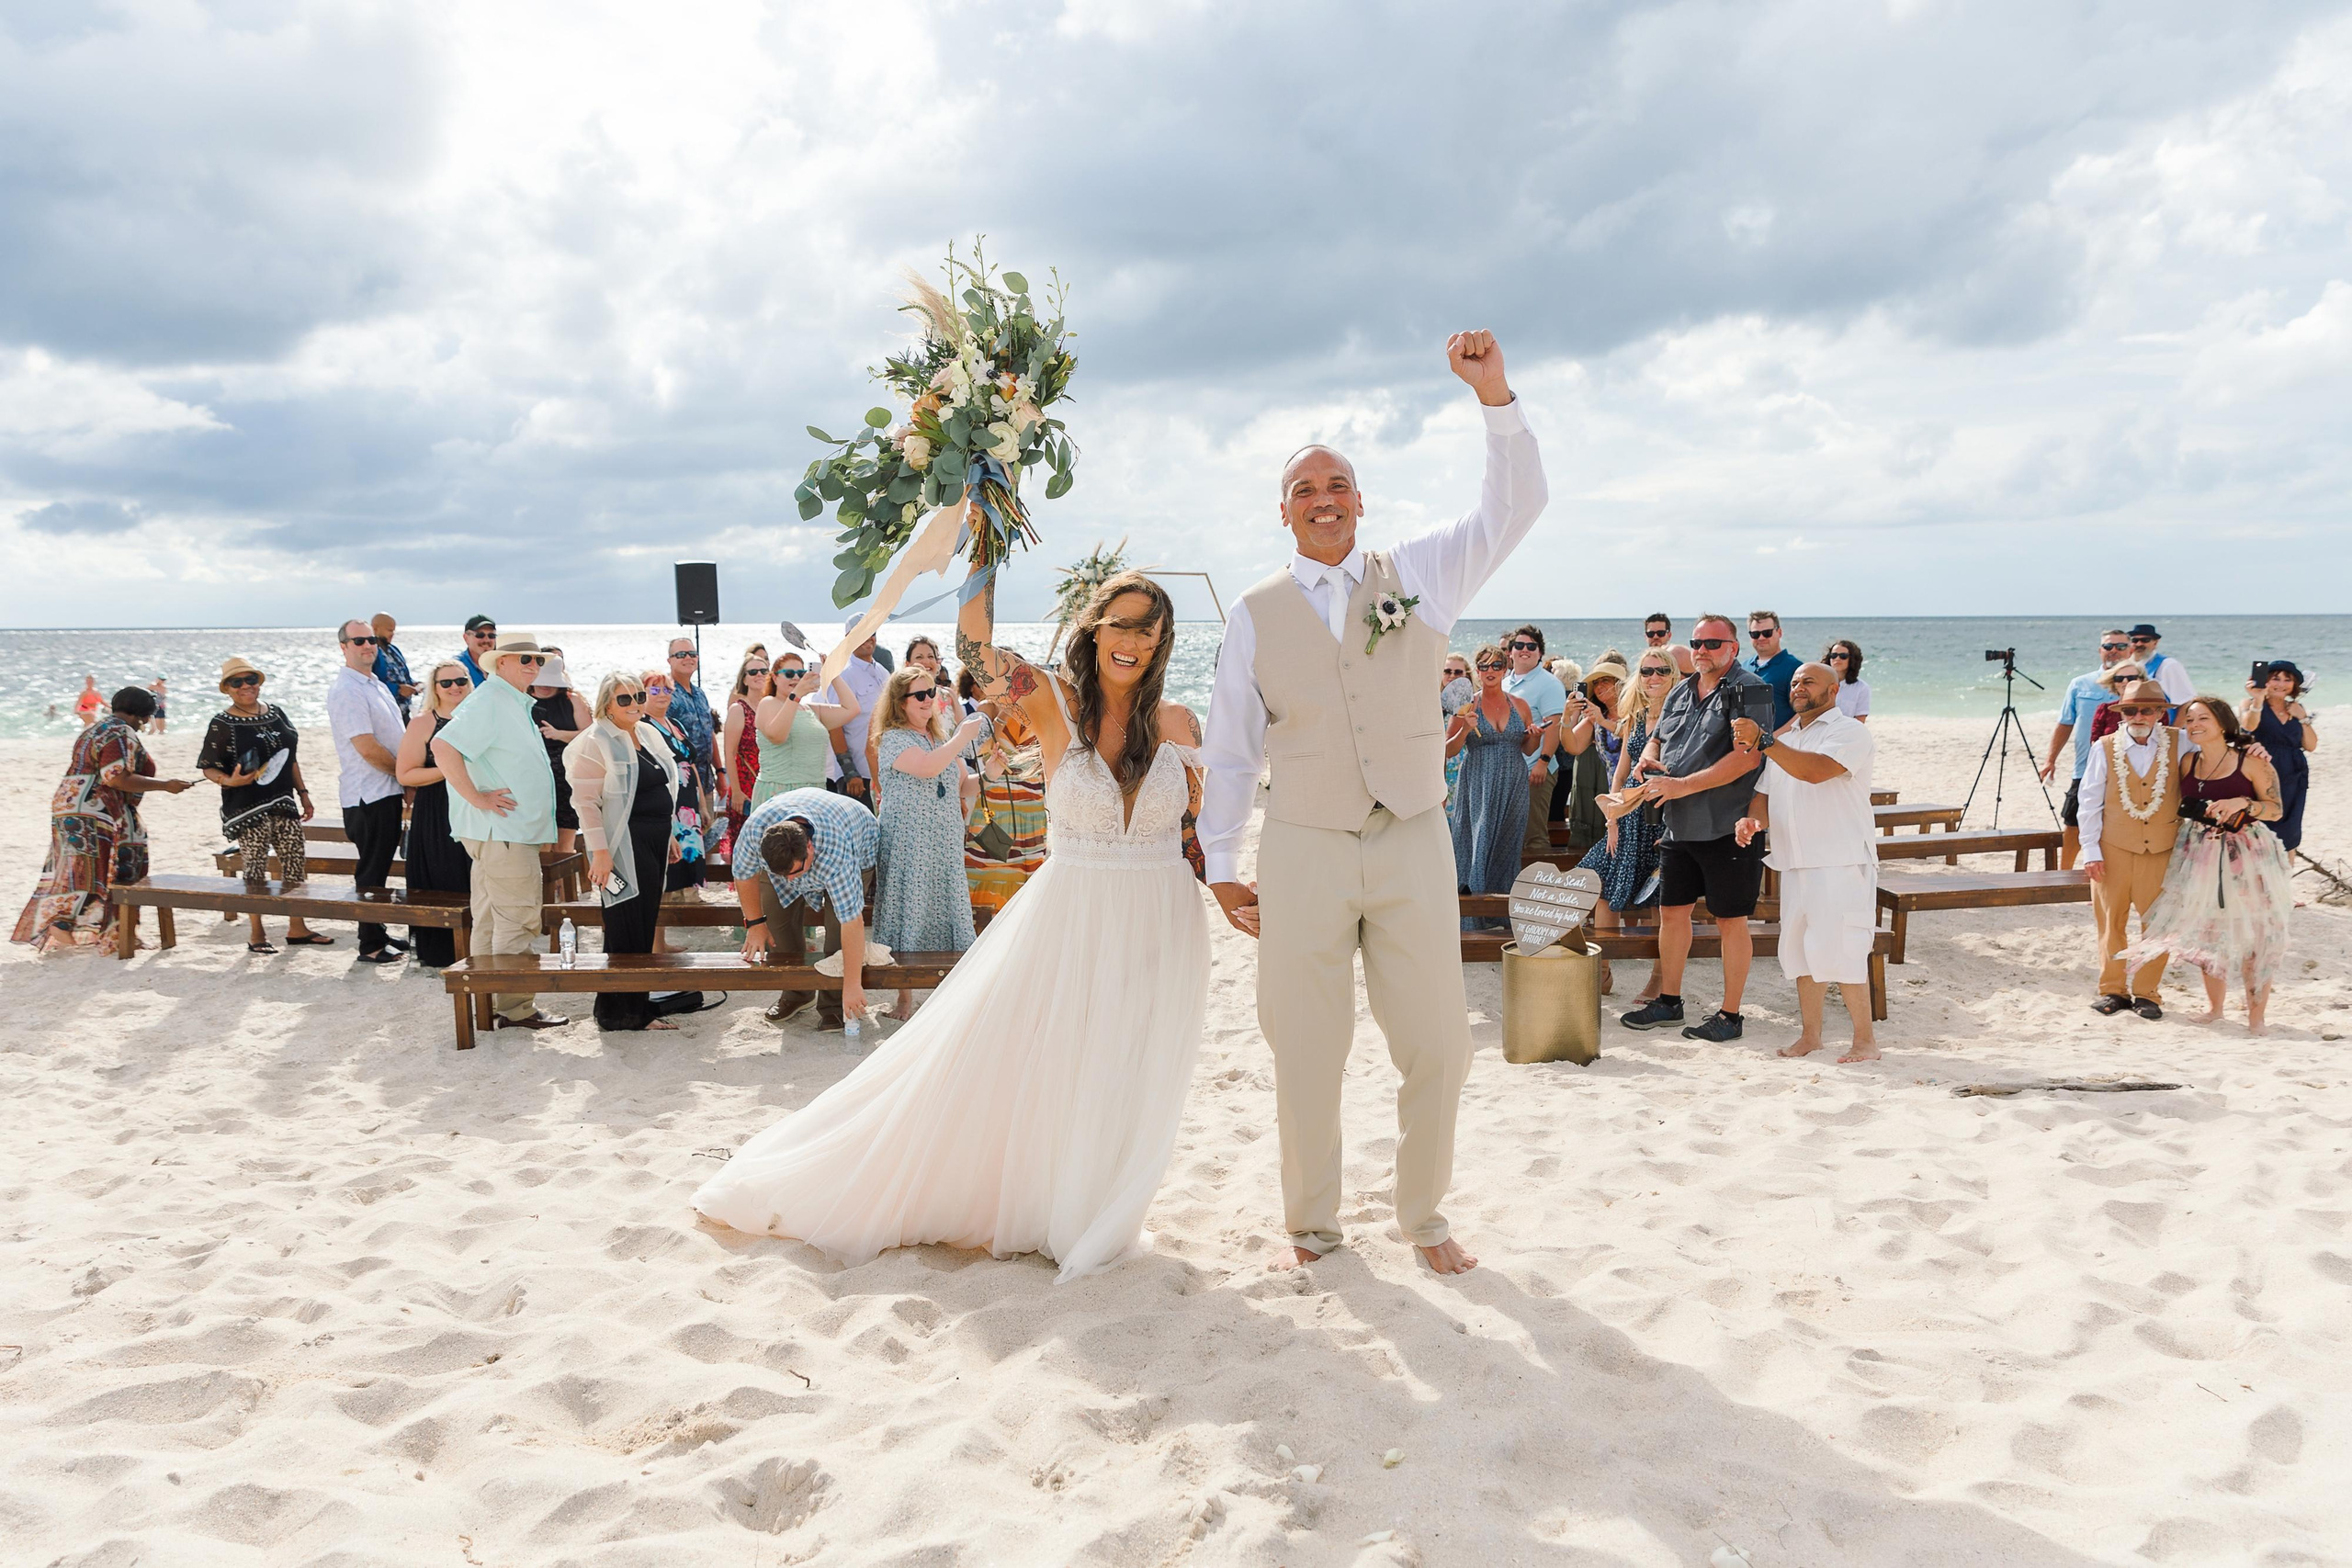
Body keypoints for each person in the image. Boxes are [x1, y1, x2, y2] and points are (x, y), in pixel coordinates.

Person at [698, 565, 1209, 1282]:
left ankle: (1097, 1203)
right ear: (1094, 628)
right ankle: (1053, 1204)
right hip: (1073, 911)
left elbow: (1201, 830)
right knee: (1048, 1056)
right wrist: (983, 517)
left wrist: (1230, 885)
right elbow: (972, 648)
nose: (1134, 640)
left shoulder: (1180, 722)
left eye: (1149, 629)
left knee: (1127, 1064)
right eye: (1120, 623)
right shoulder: (1052, 700)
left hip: (1161, 917)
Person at [1202, 330, 1543, 1278]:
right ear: (1283, 511)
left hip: (1412, 834)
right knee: (1305, 1049)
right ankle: (1311, 1229)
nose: (1324, 499)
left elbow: (1515, 507)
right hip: (1305, 842)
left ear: (1360, 501)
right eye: (1306, 489)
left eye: (1338, 485)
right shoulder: (1253, 612)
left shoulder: (1420, 576)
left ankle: (1423, 1218)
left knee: (1439, 1040)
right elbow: (1229, 747)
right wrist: (1222, 865)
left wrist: (1494, 399)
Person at [1621, 614, 1770, 1042]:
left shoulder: (1749, 690)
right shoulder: (1682, 689)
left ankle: (1730, 1015)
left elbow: (1748, 758)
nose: (1702, 651)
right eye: (1697, 643)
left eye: (1713, 643)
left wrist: (1681, 785)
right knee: (1672, 914)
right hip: (1678, 823)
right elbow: (1658, 739)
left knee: (1730, 921)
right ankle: (1669, 1001)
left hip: (1728, 824)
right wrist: (1648, 759)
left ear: (1734, 648)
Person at [1732, 663, 1879, 1062]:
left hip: (1840, 861)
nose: (1798, 687)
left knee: (1845, 951)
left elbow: (1814, 772)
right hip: (1794, 863)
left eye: (1808, 682)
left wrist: (1764, 741)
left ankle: (1864, 1041)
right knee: (1801, 953)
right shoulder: (1786, 738)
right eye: (1794, 682)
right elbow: (1763, 792)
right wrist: (1752, 820)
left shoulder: (1849, 732)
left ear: (1832, 692)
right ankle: (1811, 1036)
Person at [2120, 696, 2293, 1033]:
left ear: (2223, 724)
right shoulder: (2188, 761)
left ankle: (2256, 1018)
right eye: (2189, 720)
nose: (2194, 725)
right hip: (2198, 851)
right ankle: (2216, 1009)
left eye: (2203, 719)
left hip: (2247, 853)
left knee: (2256, 935)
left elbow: (2275, 809)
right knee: (2209, 933)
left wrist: (2242, 802)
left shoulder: (2252, 762)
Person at [433, 632, 569, 1032]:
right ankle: (516, 1008)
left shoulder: (508, 700)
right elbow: (443, 747)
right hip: (502, 831)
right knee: (518, 918)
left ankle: (488, 1004)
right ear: (501, 663)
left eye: (537, 660)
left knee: (492, 919)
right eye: (523, 658)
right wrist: (477, 797)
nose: (532, 664)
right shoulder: (492, 699)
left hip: (501, 832)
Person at [15, 687, 192, 953]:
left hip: (71, 803)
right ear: (138, 715)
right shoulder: (120, 731)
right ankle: (114, 935)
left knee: (79, 870)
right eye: (145, 719)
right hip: (95, 808)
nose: (144, 725)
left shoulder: (95, 729)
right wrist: (166, 785)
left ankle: (67, 925)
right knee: (112, 869)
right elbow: (115, 777)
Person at [565, 671, 695, 1032]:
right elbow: (586, 804)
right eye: (625, 699)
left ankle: (636, 1006)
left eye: (639, 696)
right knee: (624, 926)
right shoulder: (597, 741)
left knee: (644, 922)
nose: (635, 704)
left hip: (654, 840)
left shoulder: (648, 733)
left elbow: (664, 789)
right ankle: (617, 1013)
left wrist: (669, 832)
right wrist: (600, 853)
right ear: (607, 704)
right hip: (621, 845)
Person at [870, 665, 988, 1019]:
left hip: (944, 841)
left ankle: (953, 997)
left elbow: (962, 785)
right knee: (908, 914)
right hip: (909, 843)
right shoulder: (893, 738)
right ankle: (904, 1000)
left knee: (950, 911)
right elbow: (926, 768)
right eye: (919, 695)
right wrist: (961, 740)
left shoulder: (940, 737)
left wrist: (991, 773)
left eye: (932, 693)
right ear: (900, 702)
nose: (928, 700)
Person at [2078, 679, 2193, 1020]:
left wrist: (2253, 747)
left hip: (2162, 849)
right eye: (2130, 710)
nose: (2138, 715)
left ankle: (2147, 993)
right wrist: (2090, 850)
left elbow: (2221, 753)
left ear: (2161, 712)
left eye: (2146, 709)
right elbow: (2089, 801)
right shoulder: (2104, 746)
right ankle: (2112, 989)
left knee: (2158, 925)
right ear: (2122, 712)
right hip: (2112, 848)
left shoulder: (2183, 742)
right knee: (2111, 922)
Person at [198, 658, 324, 953]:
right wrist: (230, 782)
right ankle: (257, 934)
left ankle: (297, 928)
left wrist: (303, 793)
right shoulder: (222, 722)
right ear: (227, 689)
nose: (246, 687)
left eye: (250, 679)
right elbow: (208, 766)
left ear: (259, 681)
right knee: (254, 869)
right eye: (237, 682)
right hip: (247, 807)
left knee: (295, 862)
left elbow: (289, 757)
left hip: (283, 801)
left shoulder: (277, 713)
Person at [731, 786, 881, 1033]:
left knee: (836, 935)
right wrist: (756, 924)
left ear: (810, 847)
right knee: (778, 927)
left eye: (796, 873)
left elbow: (851, 922)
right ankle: (797, 993)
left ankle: (834, 1003)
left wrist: (853, 985)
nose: (790, 881)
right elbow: (744, 875)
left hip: (857, 839)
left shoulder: (836, 851)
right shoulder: (755, 831)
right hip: (801, 841)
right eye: (784, 875)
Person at [1579, 650, 1673, 1001]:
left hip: (1661, 816)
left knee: (1659, 900)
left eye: (1661, 670)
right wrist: (1612, 817)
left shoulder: (1680, 717)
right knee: (1598, 882)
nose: (1653, 676)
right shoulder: (1635, 716)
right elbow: (1621, 770)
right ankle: (1602, 971)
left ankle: (1659, 978)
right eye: (1646, 670)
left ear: (1673, 675)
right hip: (1628, 815)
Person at [327, 619, 409, 965]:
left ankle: (378, 931)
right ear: (343, 646)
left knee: (380, 867)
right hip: (368, 794)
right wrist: (406, 776)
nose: (368, 645)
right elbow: (367, 747)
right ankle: (370, 944)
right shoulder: (347, 689)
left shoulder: (373, 683)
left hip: (385, 790)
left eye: (372, 639)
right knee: (371, 871)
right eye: (359, 640)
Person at [1445, 647, 1535, 931]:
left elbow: (1528, 748)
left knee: (1508, 846)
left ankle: (1503, 916)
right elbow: (1448, 751)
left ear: (1506, 667)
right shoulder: (1466, 706)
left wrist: (1535, 737)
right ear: (1478, 671)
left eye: (1497, 665)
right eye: (1484, 666)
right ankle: (1471, 920)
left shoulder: (1520, 704)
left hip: (1514, 784)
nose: (1491, 670)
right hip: (1478, 784)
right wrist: (1465, 730)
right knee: (1476, 845)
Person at [393, 660, 475, 967]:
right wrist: (448, 770)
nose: (455, 687)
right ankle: (445, 952)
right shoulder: (424, 722)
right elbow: (406, 774)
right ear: (435, 688)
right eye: (446, 683)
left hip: (479, 805)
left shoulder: (481, 717)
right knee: (445, 878)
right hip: (438, 811)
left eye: (461, 680)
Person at [2039, 629, 2132, 869]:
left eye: (2121, 646)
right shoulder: (2080, 683)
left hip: (2128, 770)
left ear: (2130, 650)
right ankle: (2065, 873)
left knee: (2115, 824)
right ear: (2100, 650)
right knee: (2073, 821)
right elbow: (2065, 723)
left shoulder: (2140, 683)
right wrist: (2051, 759)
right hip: (2085, 767)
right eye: (2108, 646)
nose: (2114, 651)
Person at [963, 693, 1050, 918]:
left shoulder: (1037, 707)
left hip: (1031, 805)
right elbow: (977, 749)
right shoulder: (989, 707)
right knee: (990, 868)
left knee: (1028, 874)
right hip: (996, 801)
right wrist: (1004, 712)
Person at [752, 650, 860, 809]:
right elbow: (777, 736)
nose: (796, 678)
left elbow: (852, 709)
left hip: (814, 794)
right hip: (780, 793)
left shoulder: (811, 710)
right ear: (774, 678)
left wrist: (832, 674)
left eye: (801, 673)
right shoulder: (768, 703)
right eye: (789, 673)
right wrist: (795, 695)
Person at [639, 669, 710, 897]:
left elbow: (690, 764)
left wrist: (702, 805)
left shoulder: (676, 724)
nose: (662, 694)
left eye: (667, 689)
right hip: (666, 801)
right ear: (642, 693)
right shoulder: (642, 726)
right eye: (655, 689)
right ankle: (671, 904)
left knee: (691, 852)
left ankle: (691, 900)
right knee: (671, 858)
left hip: (688, 802)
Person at [1501, 625, 1566, 860]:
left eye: (1531, 646)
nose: (1524, 650)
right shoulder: (1504, 682)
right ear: (1510, 652)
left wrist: (1543, 761)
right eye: (1519, 645)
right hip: (1508, 772)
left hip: (1534, 770)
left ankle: (1540, 890)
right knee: (1511, 835)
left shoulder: (1548, 684)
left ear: (1540, 652)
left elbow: (1554, 726)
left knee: (1534, 836)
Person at [1554, 656, 1626, 860]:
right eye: (1596, 683)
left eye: (1606, 680)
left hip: (1634, 791)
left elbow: (1630, 733)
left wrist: (1602, 720)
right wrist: (1567, 717)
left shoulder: (1636, 712)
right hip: (1613, 790)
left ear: (1620, 684)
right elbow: (1572, 746)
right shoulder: (1595, 717)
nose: (1600, 686)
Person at [2242, 662, 2317, 853]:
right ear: (2265, 680)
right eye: (2275, 678)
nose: (2281, 684)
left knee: (2290, 831)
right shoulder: (2249, 704)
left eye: (2287, 679)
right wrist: (2258, 700)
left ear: (2294, 685)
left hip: (2294, 775)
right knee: (2260, 826)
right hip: (2262, 771)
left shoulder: (2297, 708)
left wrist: (2303, 718)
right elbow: (2249, 727)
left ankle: (2285, 880)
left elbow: (2311, 745)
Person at [530, 654, 592, 855]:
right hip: (534, 780)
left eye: (550, 682)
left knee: (565, 846)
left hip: (566, 780)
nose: (545, 687)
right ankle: (547, 887)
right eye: (541, 681)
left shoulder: (572, 700)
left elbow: (591, 737)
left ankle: (562, 888)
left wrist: (560, 735)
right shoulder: (522, 699)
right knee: (542, 846)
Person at [663, 637, 722, 844]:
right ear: (669, 660)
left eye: (692, 654)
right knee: (689, 844)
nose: (688, 658)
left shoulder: (699, 693)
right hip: (682, 785)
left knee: (709, 841)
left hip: (707, 781)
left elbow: (710, 733)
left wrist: (721, 771)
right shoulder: (666, 694)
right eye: (681, 654)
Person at [831, 616, 891, 807]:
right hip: (857, 778)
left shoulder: (883, 673)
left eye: (871, 632)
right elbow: (834, 726)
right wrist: (850, 772)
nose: (868, 637)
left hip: (884, 773)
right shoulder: (842, 675)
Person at [720, 651, 773, 849]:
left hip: (771, 784)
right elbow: (730, 753)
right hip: (746, 786)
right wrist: (736, 792)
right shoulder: (738, 709)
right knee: (746, 846)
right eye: (753, 672)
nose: (759, 675)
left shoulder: (775, 706)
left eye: (763, 671)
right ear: (744, 679)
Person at [1744, 611, 1799, 729]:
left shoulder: (1795, 668)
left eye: (1767, 633)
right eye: (1755, 634)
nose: (1761, 638)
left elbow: (1803, 713)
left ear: (1779, 632)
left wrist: (1774, 740)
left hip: (1778, 744)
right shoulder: (1743, 667)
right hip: (1745, 745)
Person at [2125, 625, 2193, 714]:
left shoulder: (2168, 665)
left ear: (2155, 643)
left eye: (2145, 640)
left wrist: (2174, 727)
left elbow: (2187, 702)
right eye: (2135, 640)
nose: (2139, 644)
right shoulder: (2129, 666)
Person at [371, 613, 417, 719]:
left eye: (393, 630)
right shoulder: (371, 653)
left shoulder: (394, 650)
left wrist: (412, 684)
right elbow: (370, 682)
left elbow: (403, 674)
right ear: (375, 629)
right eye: (389, 630)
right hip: (386, 713)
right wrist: (398, 689)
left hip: (404, 711)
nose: (392, 634)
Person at [1824, 638, 1870, 720]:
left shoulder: (1861, 688)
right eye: (1834, 655)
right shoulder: (1819, 683)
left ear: (1852, 659)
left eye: (1843, 656)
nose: (1837, 659)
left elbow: (1860, 720)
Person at [1643, 613, 1696, 678]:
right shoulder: (1645, 663)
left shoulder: (1679, 654)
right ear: (1646, 636)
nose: (1655, 637)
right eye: (1651, 634)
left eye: (1660, 633)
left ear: (1669, 635)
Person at [457, 615, 497, 686]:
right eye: (480, 635)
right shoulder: (456, 668)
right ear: (466, 638)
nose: (486, 640)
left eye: (491, 636)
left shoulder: (503, 665)